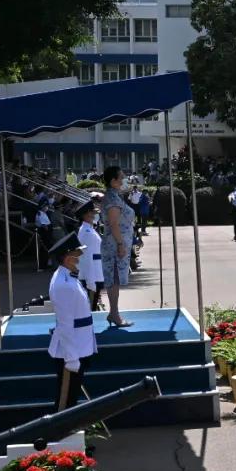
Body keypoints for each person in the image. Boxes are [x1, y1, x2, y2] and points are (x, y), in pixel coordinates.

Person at [47, 231, 99, 411]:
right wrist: (71, 357)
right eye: (77, 255)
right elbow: (65, 324)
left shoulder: (68, 277)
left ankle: (66, 434)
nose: (80, 258)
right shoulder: (63, 284)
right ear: (68, 258)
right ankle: (59, 435)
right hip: (72, 350)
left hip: (80, 345)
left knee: (71, 398)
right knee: (65, 402)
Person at [99, 166, 135, 328]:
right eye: (121, 177)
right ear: (113, 181)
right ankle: (114, 314)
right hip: (114, 246)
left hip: (117, 244)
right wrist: (120, 244)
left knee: (115, 280)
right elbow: (114, 224)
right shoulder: (112, 199)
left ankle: (113, 312)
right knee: (114, 280)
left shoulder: (115, 196)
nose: (123, 180)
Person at [75, 200, 104, 312]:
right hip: (92, 275)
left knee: (92, 307)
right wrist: (90, 281)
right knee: (90, 309)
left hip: (95, 272)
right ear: (85, 215)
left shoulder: (89, 229)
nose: (94, 215)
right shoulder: (86, 232)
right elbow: (87, 258)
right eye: (92, 213)